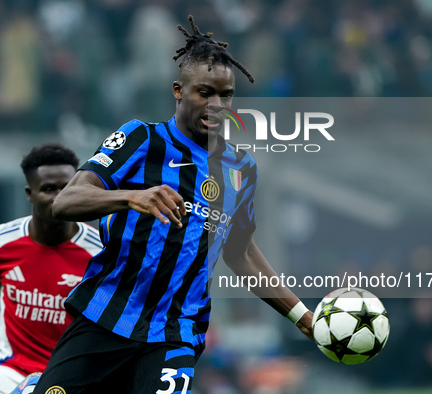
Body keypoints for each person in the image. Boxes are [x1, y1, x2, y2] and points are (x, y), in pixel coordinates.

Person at [30, 15, 314, 394]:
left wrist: (301, 315)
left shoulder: (241, 168)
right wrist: (131, 196)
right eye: (205, 92)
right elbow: (66, 201)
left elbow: (240, 252)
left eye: (225, 94)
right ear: (178, 90)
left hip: (174, 334)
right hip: (103, 320)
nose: (217, 104)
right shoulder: (140, 139)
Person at [0, 144, 103, 394]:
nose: (59, 197)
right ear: (29, 193)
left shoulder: (100, 252)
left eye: (66, 188)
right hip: (11, 372)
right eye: (49, 189)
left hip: (74, 373)